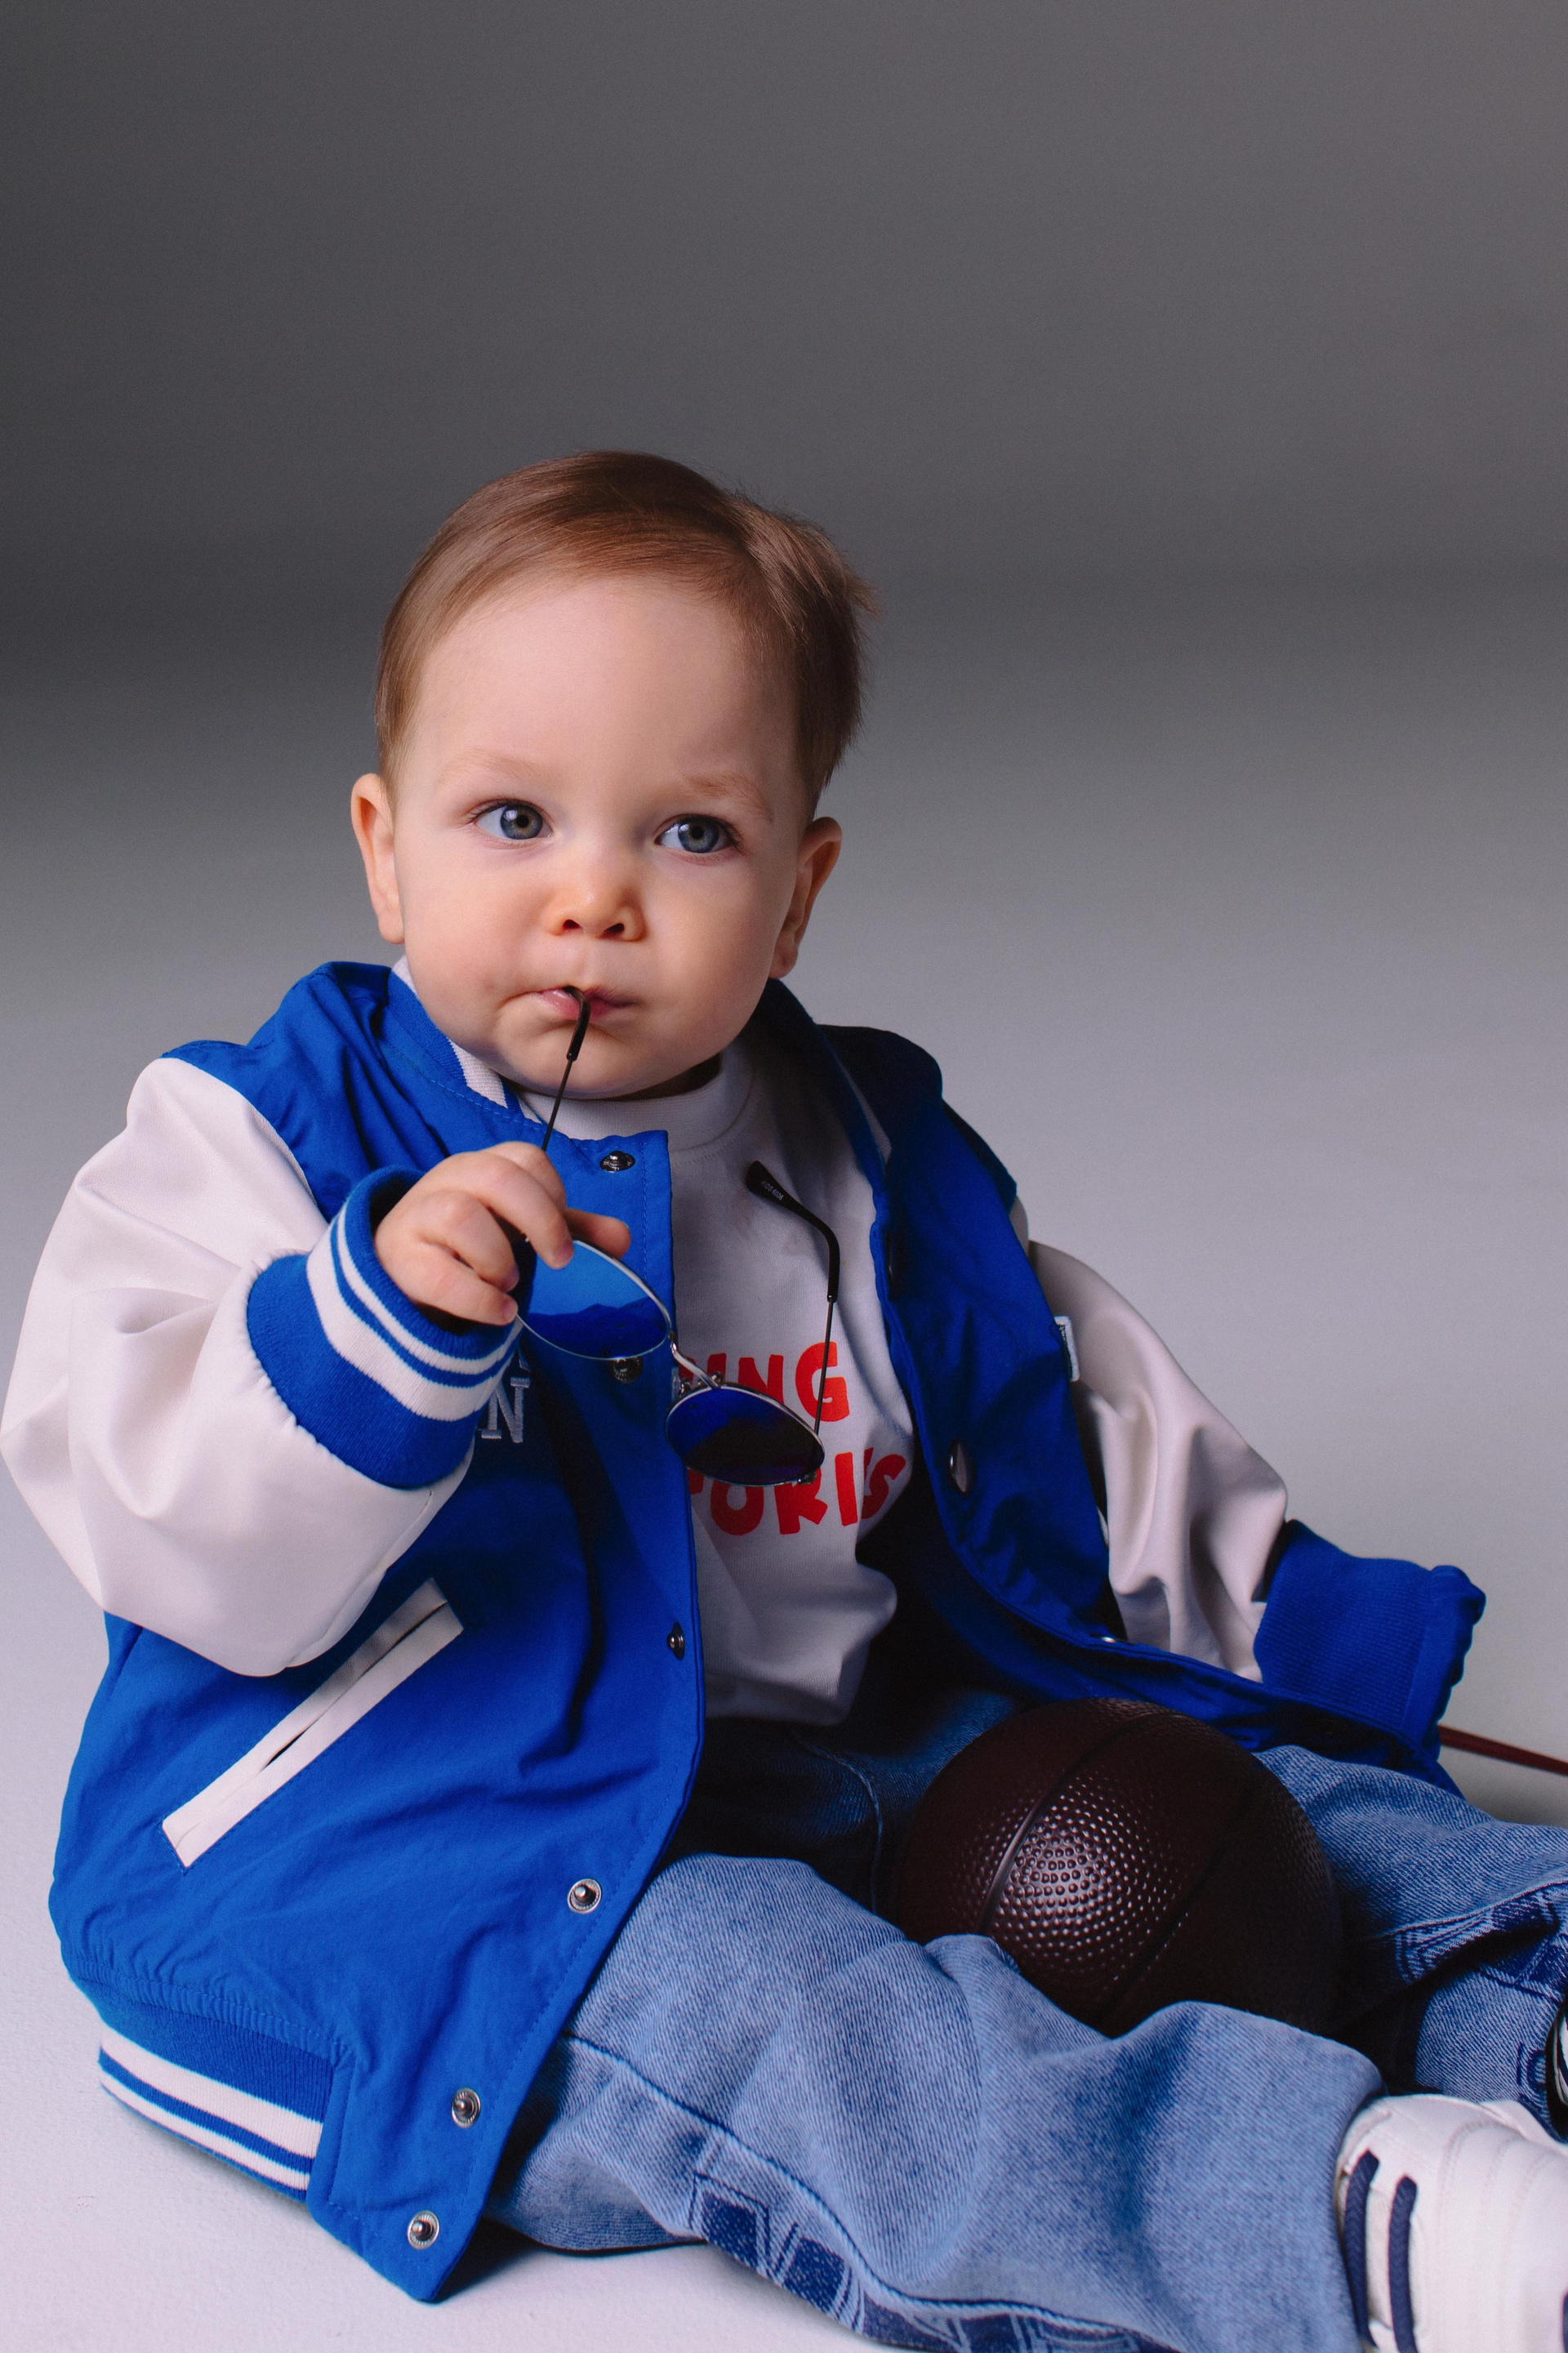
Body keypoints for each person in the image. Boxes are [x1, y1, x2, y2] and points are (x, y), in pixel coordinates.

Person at [4, 452, 1566, 2353]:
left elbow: (1060, 1427)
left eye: (690, 834)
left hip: (853, 1745)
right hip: (429, 1849)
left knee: (1261, 1814)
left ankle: (1534, 1999)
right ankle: (1333, 2231)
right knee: (801, 2017)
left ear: (799, 889)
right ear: (384, 846)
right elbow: (148, 1494)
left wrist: (1291, 1617)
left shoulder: (854, 1152)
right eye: (512, 818)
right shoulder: (265, 1141)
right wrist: (370, 1326)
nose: (594, 898)